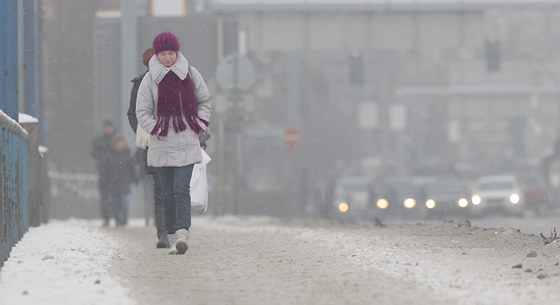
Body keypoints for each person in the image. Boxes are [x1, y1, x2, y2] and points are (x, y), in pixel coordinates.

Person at [136, 32, 212, 255]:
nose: (167, 58)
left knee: (181, 189)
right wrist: (156, 127)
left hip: (187, 139)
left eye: (171, 53)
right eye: (163, 54)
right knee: (166, 193)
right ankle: (171, 236)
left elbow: (205, 100)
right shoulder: (150, 79)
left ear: (176, 52)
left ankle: (182, 234)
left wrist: (197, 124)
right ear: (157, 54)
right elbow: (142, 110)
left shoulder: (191, 73)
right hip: (161, 142)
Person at [127, 47, 170, 248]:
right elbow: (133, 113)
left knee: (177, 187)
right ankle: (163, 232)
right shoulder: (140, 84)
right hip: (152, 144)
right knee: (161, 189)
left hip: (176, 143)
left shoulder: (179, 80)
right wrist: (145, 132)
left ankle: (177, 229)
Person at [107, 134, 138, 226]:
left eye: (122, 142)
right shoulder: (110, 156)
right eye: (118, 143)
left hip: (125, 181)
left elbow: (132, 169)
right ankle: (117, 218)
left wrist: (135, 179)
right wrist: (106, 181)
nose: (120, 144)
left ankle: (124, 218)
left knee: (123, 200)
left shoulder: (128, 155)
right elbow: (106, 170)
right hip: (113, 182)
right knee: (115, 201)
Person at [92, 120, 117, 226]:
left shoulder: (117, 139)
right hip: (103, 172)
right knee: (104, 196)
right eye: (107, 127)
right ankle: (106, 217)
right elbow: (93, 153)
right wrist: (103, 157)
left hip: (115, 172)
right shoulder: (99, 141)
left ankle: (117, 216)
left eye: (110, 127)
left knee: (116, 195)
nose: (108, 129)